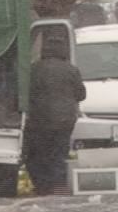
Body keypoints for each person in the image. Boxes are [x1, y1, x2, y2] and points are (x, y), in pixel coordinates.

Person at [25, 31, 87, 196]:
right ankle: (58, 184)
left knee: (40, 152)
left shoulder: (34, 69)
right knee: (59, 151)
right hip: (65, 120)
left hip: (40, 119)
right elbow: (81, 94)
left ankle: (42, 185)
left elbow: (27, 94)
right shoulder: (71, 70)